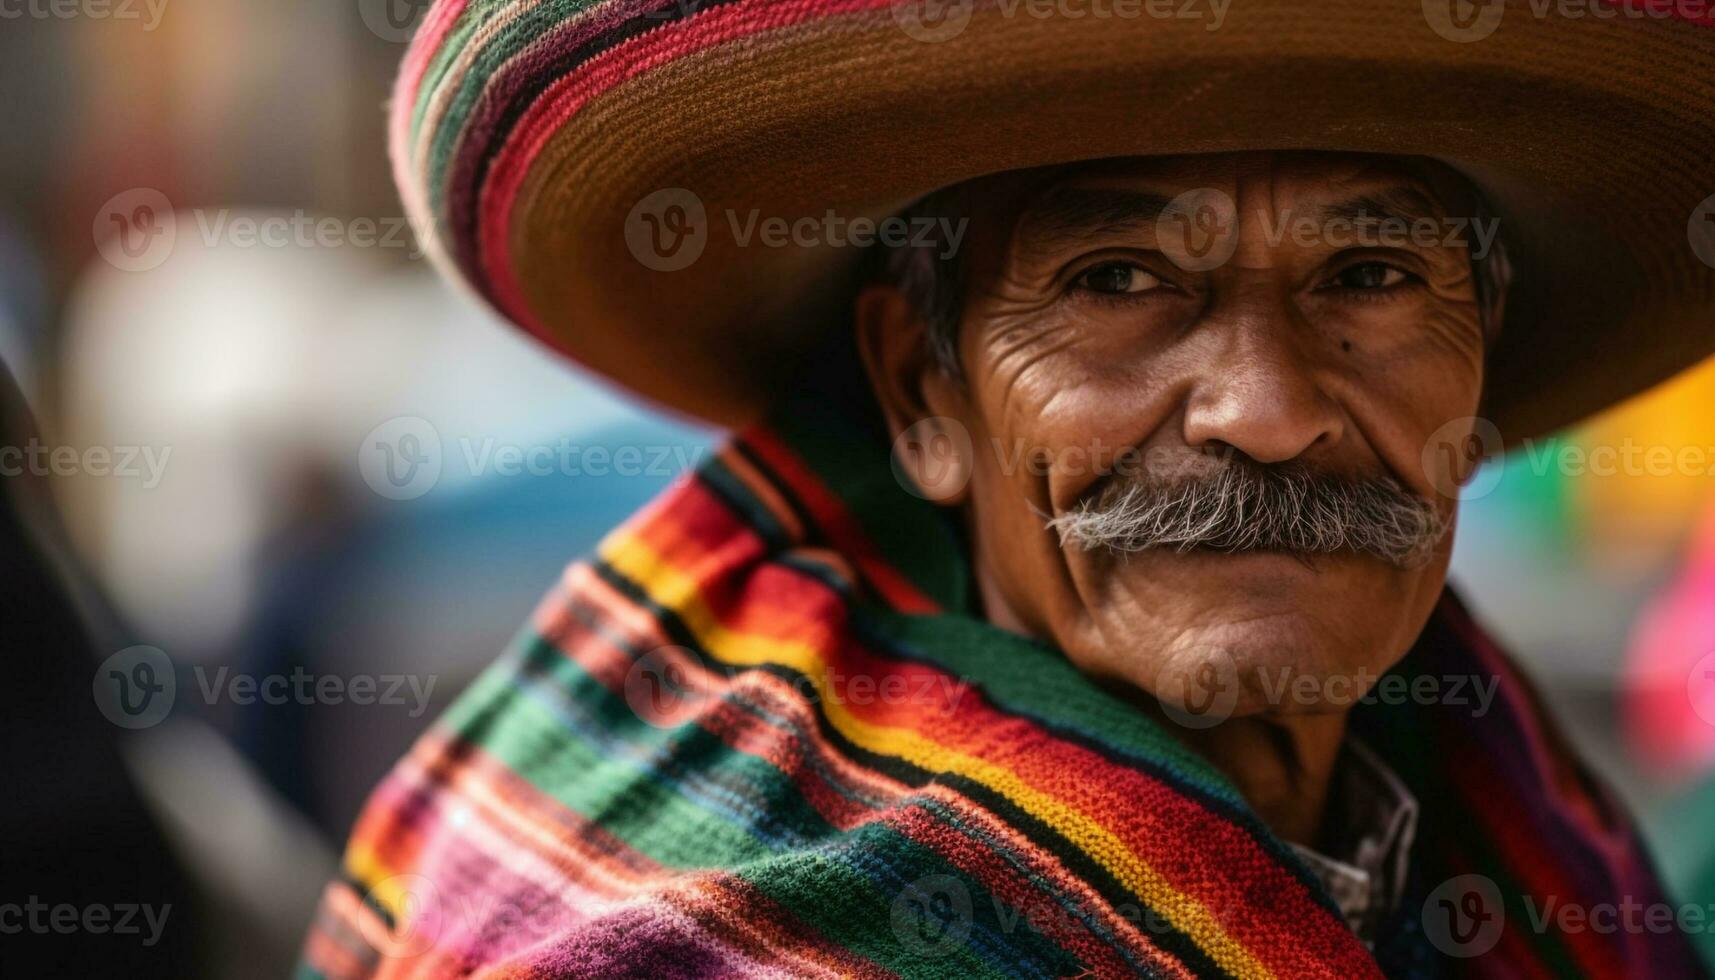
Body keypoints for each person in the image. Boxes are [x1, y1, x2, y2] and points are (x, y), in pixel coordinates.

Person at [300, 1, 1715, 975]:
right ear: (923, 389)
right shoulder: (703, 937)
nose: (1271, 416)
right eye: (1116, 282)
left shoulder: (1503, 828)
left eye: (1373, 277)